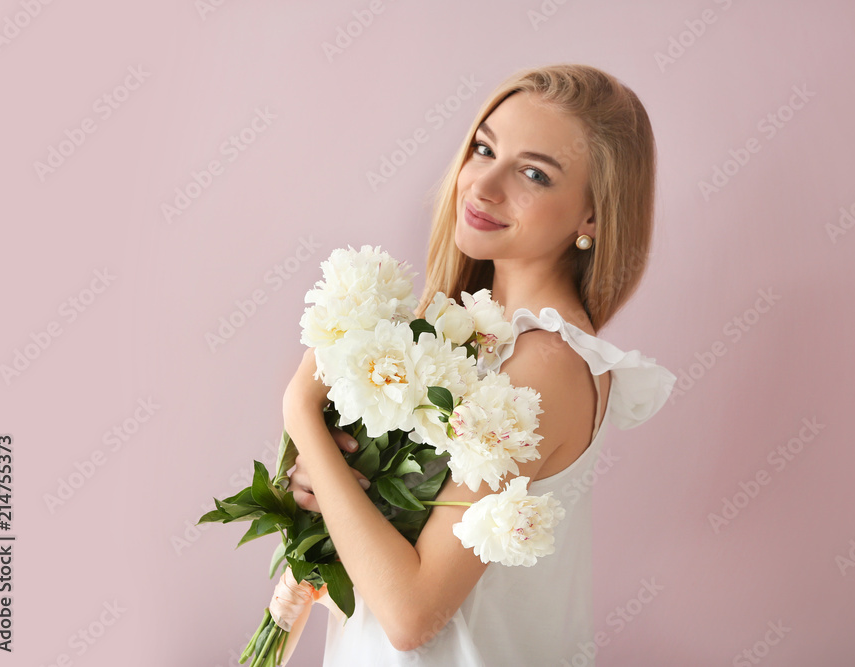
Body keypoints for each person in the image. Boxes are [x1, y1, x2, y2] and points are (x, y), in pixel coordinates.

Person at [281, 63, 677, 666]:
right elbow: (385, 572)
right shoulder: (463, 339)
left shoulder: (544, 363)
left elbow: (413, 615)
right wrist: (336, 490)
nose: (483, 186)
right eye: (484, 149)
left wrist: (301, 413)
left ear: (592, 216)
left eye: (534, 174)